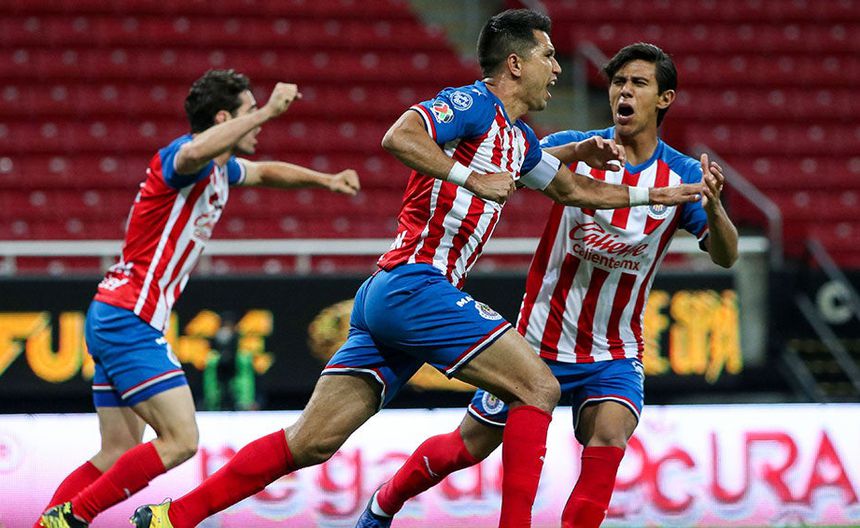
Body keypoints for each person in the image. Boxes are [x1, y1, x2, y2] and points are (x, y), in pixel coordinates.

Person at [130, 13, 701, 528]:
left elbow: (576, 190)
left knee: (310, 442)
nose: (558, 68)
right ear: (515, 63)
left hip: (392, 295)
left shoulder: (520, 141)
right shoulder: (473, 104)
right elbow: (399, 135)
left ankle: (174, 516)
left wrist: (666, 192)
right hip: (415, 283)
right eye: (548, 56)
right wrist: (470, 178)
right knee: (538, 386)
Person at [354, 42, 738, 528]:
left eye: (638, 83)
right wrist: (569, 152)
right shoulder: (580, 146)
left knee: (610, 436)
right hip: (539, 340)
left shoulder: (682, 175)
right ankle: (384, 502)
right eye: (618, 82)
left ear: (665, 99)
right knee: (466, 447)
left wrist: (716, 210)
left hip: (615, 351)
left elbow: (725, 255)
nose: (623, 91)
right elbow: (514, 168)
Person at [37, 69, 361, 528]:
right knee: (181, 440)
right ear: (225, 118)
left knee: (117, 450)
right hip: (130, 316)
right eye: (249, 113)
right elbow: (193, 150)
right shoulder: (182, 159)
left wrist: (324, 181)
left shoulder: (222, 169)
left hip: (115, 312)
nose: (259, 124)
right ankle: (74, 516)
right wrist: (269, 110)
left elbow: (265, 171)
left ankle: (49, 523)